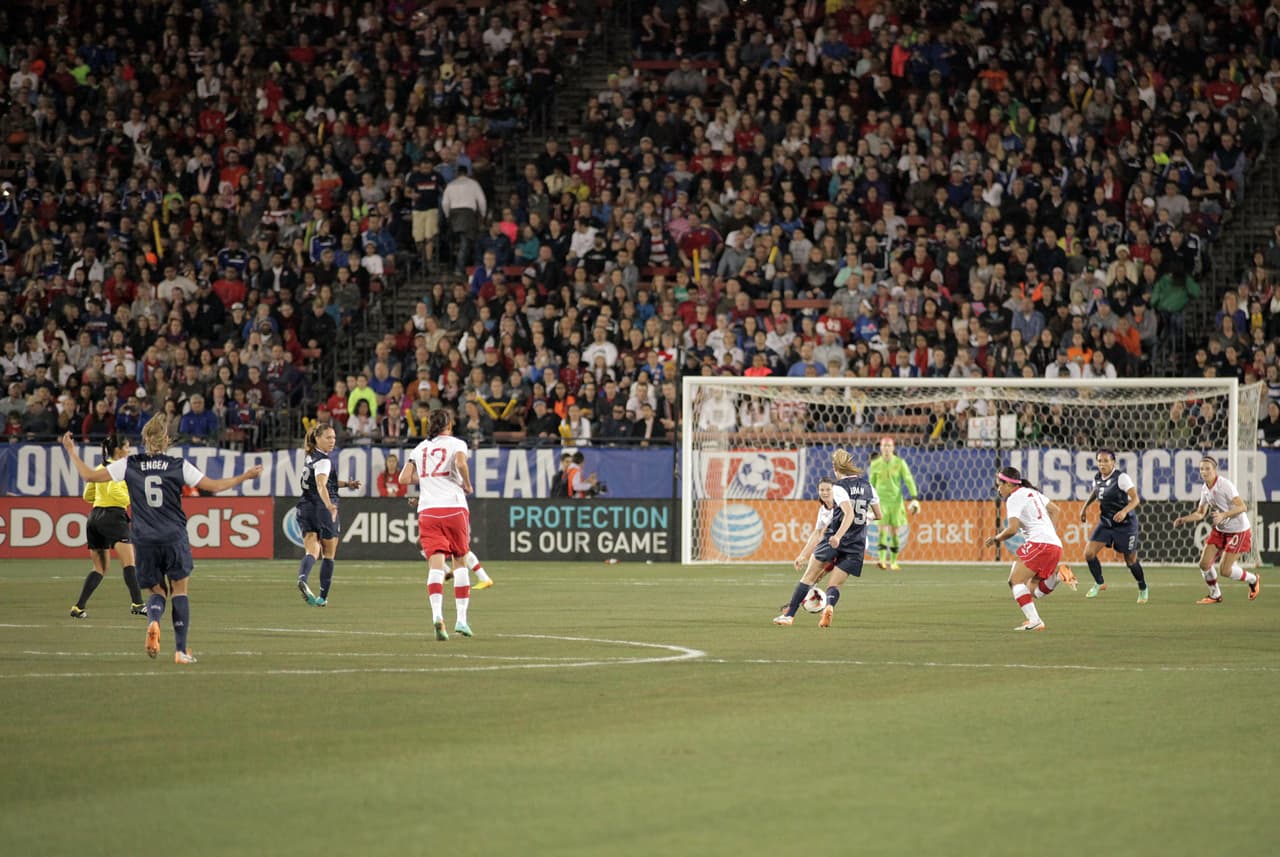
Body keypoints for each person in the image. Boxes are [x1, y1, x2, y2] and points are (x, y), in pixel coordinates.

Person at [60, 417, 264, 663]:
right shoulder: (178, 465)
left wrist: (71, 450)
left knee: (156, 590)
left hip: (144, 538)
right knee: (180, 590)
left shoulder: (129, 464)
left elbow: (89, 476)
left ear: (144, 440)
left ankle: (154, 619)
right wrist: (245, 476)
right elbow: (215, 486)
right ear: (166, 440)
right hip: (173, 535)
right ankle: (180, 650)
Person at [774, 450, 881, 628]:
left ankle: (789, 615)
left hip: (835, 539)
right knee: (834, 585)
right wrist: (866, 518)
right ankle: (829, 606)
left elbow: (848, 514)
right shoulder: (869, 486)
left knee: (809, 577)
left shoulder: (839, 487)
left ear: (835, 467)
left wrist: (838, 536)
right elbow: (878, 514)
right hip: (857, 544)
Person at [400, 408, 476, 640]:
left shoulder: (420, 448)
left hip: (428, 511)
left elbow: (403, 479)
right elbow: (461, 463)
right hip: (453, 507)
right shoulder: (456, 443)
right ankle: (461, 620)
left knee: (435, 564)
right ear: (449, 424)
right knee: (460, 560)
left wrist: (426, 477)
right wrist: (467, 484)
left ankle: (436, 616)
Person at [985, 466, 1074, 631]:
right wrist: (1049, 533)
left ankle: (1035, 621)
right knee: (1033, 590)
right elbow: (1055, 510)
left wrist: (996, 538)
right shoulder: (1032, 492)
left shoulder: (1014, 498)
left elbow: (1012, 529)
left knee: (1015, 581)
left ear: (1009, 485)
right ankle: (1058, 576)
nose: (998, 488)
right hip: (1054, 544)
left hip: (1040, 543)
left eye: (1000, 484)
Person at [69, 433, 147, 619]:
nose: (129, 450)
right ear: (119, 449)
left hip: (94, 517)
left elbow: (88, 495)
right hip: (113, 516)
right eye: (127, 447)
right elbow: (114, 491)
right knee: (129, 563)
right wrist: (131, 497)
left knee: (100, 568)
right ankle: (138, 603)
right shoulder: (120, 469)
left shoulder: (100, 467)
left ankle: (79, 607)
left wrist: (103, 498)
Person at [1173, 456, 1260, 604]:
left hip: (1238, 530)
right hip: (1221, 530)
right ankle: (1215, 595)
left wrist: (1223, 515)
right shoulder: (1205, 489)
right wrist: (1184, 519)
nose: (1204, 472)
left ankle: (1253, 579)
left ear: (1214, 470)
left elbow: (1243, 507)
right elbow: (1200, 513)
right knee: (1204, 564)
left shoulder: (1225, 485)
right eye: (1201, 469)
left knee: (1225, 570)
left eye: (1207, 468)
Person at [296, 424, 361, 607]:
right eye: (328, 438)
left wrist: (347, 484)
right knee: (329, 554)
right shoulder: (324, 461)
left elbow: (327, 482)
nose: (332, 441)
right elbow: (321, 484)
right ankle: (323, 597)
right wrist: (329, 505)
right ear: (317, 438)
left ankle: (303, 578)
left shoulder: (310, 456)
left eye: (333, 437)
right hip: (323, 508)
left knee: (312, 549)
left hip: (304, 506)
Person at [1079, 449, 1149, 602]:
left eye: (1106, 461)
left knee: (1130, 560)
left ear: (1113, 462)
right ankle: (1099, 583)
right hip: (1106, 522)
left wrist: (1124, 511)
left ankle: (1142, 586)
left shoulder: (1121, 478)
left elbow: (1136, 499)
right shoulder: (1097, 478)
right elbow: (1096, 492)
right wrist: (1085, 507)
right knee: (1089, 554)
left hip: (1125, 524)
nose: (1102, 464)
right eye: (1099, 461)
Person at [867, 437, 922, 570]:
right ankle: (881, 560)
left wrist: (914, 497)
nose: (886, 449)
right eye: (884, 446)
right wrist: (869, 503)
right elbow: (871, 484)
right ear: (880, 448)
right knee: (882, 531)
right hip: (881, 501)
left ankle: (893, 562)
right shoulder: (875, 464)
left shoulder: (899, 463)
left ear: (893, 448)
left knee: (895, 532)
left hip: (896, 502)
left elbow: (908, 479)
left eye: (889, 446)